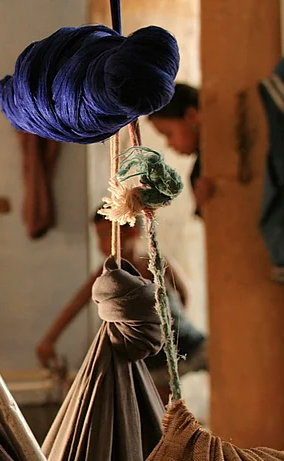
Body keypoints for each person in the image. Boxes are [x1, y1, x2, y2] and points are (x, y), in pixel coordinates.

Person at [36, 210, 207, 402]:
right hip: (148, 353)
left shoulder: (157, 263)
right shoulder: (108, 275)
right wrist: (49, 339)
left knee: (216, 357)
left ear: (130, 232)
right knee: (159, 403)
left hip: (180, 341)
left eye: (104, 235)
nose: (100, 244)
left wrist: (172, 320)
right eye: (97, 236)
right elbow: (75, 306)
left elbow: (184, 292)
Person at [148, 83, 214, 217]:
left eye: (168, 134)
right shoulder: (198, 174)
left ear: (192, 116)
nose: (169, 143)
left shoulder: (205, 168)